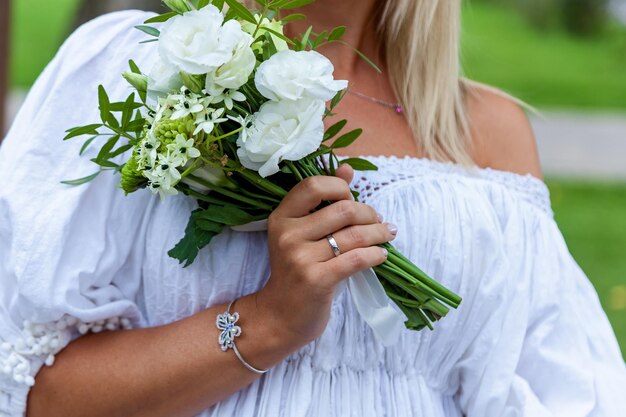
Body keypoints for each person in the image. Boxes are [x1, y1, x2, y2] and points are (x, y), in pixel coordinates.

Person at [1, 1, 625, 416]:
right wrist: (267, 323)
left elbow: (564, 390)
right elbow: (34, 392)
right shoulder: (142, 73)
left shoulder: (488, 131)